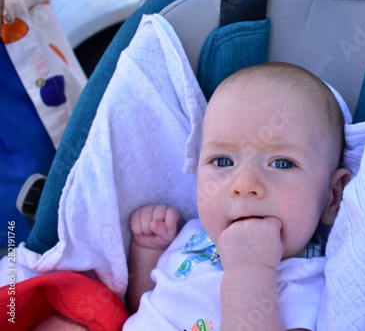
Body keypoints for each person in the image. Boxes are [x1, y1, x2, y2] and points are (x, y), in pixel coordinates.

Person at [125, 62, 351, 331]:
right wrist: (149, 251)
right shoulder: (193, 235)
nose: (244, 184)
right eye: (222, 161)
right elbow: (144, 306)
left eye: (282, 163)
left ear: (332, 196)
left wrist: (251, 271)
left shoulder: (309, 282)